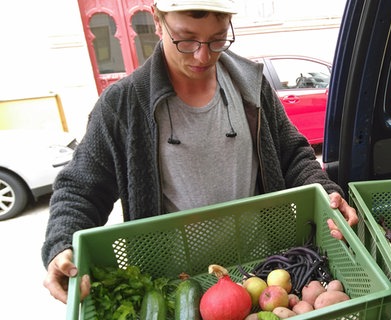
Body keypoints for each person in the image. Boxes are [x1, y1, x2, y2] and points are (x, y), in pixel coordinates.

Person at [42, 0, 358, 304]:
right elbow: (80, 190)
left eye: (217, 40)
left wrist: (327, 192)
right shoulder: (123, 104)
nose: (203, 55)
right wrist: (62, 245)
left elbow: (293, 155)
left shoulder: (251, 86)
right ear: (157, 20)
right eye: (186, 40)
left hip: (263, 271)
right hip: (175, 285)